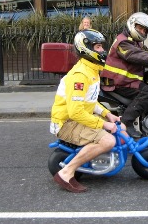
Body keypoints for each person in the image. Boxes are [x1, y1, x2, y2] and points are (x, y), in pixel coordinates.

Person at [50, 29, 124, 193]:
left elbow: (90, 102)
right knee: (108, 141)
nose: (102, 51)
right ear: (86, 48)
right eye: (98, 47)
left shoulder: (92, 70)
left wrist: (108, 115)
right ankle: (66, 173)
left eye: (101, 47)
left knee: (121, 128)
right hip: (66, 123)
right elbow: (75, 112)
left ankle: (98, 158)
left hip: (79, 118)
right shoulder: (80, 75)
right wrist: (103, 125)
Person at [100, 12, 148, 138]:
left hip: (125, 80)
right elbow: (142, 57)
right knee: (147, 93)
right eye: (139, 28)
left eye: (144, 30)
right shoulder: (123, 42)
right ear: (132, 24)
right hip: (117, 82)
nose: (142, 31)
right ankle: (126, 123)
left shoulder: (134, 42)